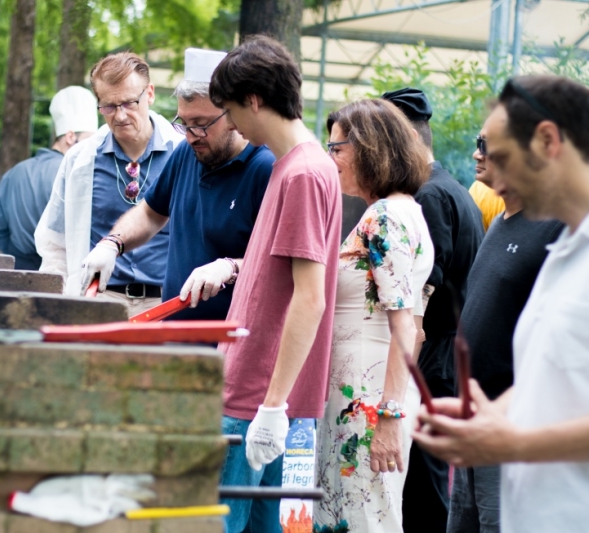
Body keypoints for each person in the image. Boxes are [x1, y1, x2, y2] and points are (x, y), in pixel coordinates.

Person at [414, 75, 589, 532]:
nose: (492, 175)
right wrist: (496, 415)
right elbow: (549, 372)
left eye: (503, 158)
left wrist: (512, 442)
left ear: (549, 140)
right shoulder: (566, 248)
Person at [208, 35, 342, 533]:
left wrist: (271, 405)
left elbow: (310, 298)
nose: (232, 124)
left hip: (259, 398)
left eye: (231, 109)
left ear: (256, 100)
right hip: (268, 398)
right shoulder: (299, 167)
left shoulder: (303, 173)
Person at [78, 48, 274, 320]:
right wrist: (113, 243)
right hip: (174, 334)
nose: (192, 136)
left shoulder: (265, 169)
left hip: (229, 340)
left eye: (201, 124)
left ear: (233, 114)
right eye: (184, 123)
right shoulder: (187, 154)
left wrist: (231, 267)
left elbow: (278, 264)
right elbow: (150, 213)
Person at [313, 99, 433, 533]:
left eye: (337, 148)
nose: (331, 158)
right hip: (361, 395)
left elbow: (407, 325)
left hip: (367, 399)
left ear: (369, 148)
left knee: (367, 521)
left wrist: (388, 417)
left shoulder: (386, 217)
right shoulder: (388, 213)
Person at [446, 124, 563, 533]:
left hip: (511, 421)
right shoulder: (499, 224)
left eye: (486, 146)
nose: (477, 154)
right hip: (474, 417)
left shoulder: (554, 231)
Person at [381, 87, 484, 533]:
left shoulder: (427, 197)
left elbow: (421, 290)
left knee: (425, 489)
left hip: (433, 356)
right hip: (445, 355)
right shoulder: (452, 189)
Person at [35, 52, 184, 315]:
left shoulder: (183, 153)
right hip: (99, 300)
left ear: (149, 94)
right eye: (109, 106)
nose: (120, 116)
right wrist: (58, 303)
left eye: (129, 103)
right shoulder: (80, 159)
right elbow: (54, 243)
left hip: (166, 303)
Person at [0, 86, 99, 270]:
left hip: (19, 274)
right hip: (62, 278)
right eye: (90, 140)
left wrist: (22, 257)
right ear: (70, 137)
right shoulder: (78, 176)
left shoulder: (14, 172)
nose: (93, 148)